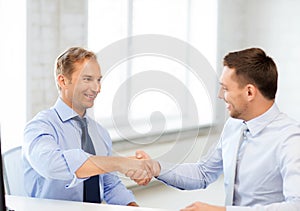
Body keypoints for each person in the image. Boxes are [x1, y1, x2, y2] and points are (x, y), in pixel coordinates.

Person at [132, 47, 300, 210]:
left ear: (249, 92)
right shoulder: (234, 126)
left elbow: (296, 206)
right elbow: (203, 173)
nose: (220, 95)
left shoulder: (291, 140)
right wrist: (155, 167)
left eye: (226, 88)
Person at [23, 47, 153, 206]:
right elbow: (52, 165)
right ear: (63, 81)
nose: (97, 88)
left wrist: (135, 208)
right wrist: (120, 163)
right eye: (87, 79)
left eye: (98, 80)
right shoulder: (40, 126)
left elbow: (110, 186)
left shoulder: (100, 133)